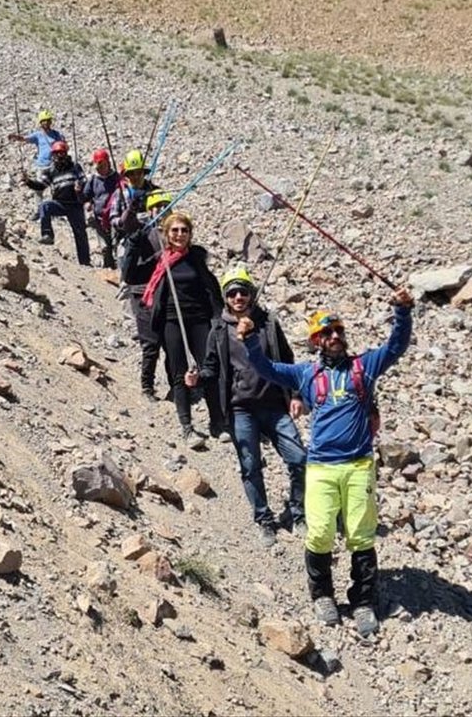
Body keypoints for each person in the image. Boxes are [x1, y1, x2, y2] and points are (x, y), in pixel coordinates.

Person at [237, 286, 414, 636]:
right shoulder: (306, 374)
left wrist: (403, 312)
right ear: (316, 341)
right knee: (319, 533)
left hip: (359, 465)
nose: (335, 337)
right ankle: (322, 595)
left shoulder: (364, 366)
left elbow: (396, 346)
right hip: (320, 467)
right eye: (326, 333)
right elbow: (266, 368)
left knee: (361, 536)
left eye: (339, 331)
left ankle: (363, 601)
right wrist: (249, 339)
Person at [185, 266, 306, 549]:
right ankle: (264, 520)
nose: (239, 297)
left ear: (251, 294)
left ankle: (298, 514)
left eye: (243, 291)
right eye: (232, 293)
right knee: (250, 466)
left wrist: (297, 394)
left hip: (275, 406)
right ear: (226, 298)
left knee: (299, 460)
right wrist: (197, 378)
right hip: (241, 410)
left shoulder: (268, 324)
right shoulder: (218, 329)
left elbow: (289, 361)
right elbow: (212, 368)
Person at [143, 210, 225, 449]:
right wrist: (135, 242)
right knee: (179, 372)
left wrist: (217, 316)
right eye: (175, 230)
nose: (180, 234)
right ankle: (187, 426)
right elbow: (131, 272)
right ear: (167, 234)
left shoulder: (196, 259)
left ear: (190, 234)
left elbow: (211, 288)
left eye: (184, 230)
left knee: (209, 369)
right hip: (171, 319)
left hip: (199, 318)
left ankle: (217, 422)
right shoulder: (160, 260)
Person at [118, 190, 173, 400]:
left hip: (167, 294)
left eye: (165, 206)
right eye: (157, 207)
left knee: (171, 344)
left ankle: (175, 387)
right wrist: (132, 207)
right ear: (150, 210)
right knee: (150, 345)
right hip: (143, 293)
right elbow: (126, 223)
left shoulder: (173, 234)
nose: (161, 211)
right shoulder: (143, 229)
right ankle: (147, 387)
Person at [23, 140, 91, 266]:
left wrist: (80, 188)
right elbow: (41, 185)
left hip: (75, 204)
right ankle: (47, 234)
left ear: (66, 153)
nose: (59, 156)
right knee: (45, 206)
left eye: (61, 153)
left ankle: (85, 262)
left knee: (80, 233)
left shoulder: (75, 167)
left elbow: (85, 182)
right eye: (56, 153)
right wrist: (28, 181)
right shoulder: (50, 170)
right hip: (60, 203)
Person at [109, 149, 156, 249]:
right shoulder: (119, 193)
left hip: (151, 238)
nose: (136, 176)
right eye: (132, 173)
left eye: (139, 172)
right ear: (127, 175)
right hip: (126, 240)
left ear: (144, 173)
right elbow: (112, 218)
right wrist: (122, 221)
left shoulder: (155, 191)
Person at [82, 149, 120, 270]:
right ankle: (109, 268)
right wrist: (87, 202)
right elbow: (86, 196)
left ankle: (120, 270)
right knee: (104, 247)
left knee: (116, 245)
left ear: (108, 163)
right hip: (99, 219)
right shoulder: (93, 179)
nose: (100, 167)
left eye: (102, 164)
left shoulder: (116, 178)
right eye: (98, 165)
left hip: (114, 216)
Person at [9, 109, 64, 175]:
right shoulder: (37, 135)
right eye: (43, 121)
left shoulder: (56, 134)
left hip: (54, 164)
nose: (46, 122)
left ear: (50, 121)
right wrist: (16, 137)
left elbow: (62, 147)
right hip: (41, 165)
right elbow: (24, 139)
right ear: (40, 123)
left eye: (47, 120)